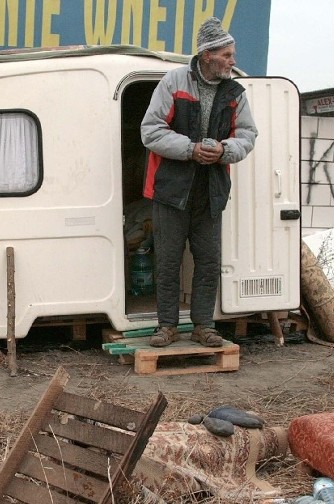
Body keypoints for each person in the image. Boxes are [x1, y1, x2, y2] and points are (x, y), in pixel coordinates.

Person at [140, 17, 258, 348]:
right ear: (207, 55)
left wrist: (224, 150)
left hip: (211, 192)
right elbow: (150, 131)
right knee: (167, 261)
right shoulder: (172, 81)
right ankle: (166, 326)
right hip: (171, 190)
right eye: (227, 55)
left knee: (208, 262)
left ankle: (203, 326)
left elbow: (248, 136)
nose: (233, 61)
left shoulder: (235, 92)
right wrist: (190, 150)